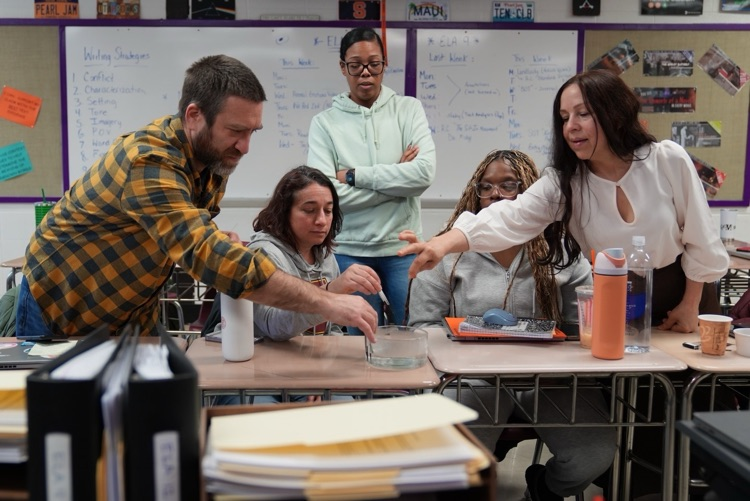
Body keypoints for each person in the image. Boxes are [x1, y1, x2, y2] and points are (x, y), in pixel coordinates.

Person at [16, 54, 377, 341]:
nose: (245, 146)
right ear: (194, 115)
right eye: (236, 130)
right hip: (63, 308)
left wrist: (217, 238)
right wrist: (326, 301)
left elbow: (186, 229)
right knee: (63, 423)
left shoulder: (210, 160)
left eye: (253, 131)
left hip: (131, 310)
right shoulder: (149, 160)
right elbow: (203, 253)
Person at [399, 69, 728, 335]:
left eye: (583, 114)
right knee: (635, 401)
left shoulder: (666, 159)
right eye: (564, 117)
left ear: (614, 114)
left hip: (684, 295)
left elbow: (700, 237)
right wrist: (441, 245)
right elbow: (508, 218)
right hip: (616, 299)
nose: (571, 127)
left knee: (692, 401)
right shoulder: (564, 182)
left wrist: (690, 304)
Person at [405, 150, 611, 501]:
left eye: (508, 185)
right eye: (486, 187)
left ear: (530, 193)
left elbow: (582, 331)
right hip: (471, 378)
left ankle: (543, 489)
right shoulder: (448, 251)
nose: (496, 195)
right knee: (461, 467)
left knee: (593, 455)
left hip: (548, 381)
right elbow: (422, 327)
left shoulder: (563, 251)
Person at [204, 165, 380, 404]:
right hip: (254, 372)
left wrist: (323, 372)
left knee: (347, 413)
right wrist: (331, 294)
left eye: (328, 211)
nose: (321, 220)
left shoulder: (325, 255)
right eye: (309, 210)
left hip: (306, 371)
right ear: (284, 212)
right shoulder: (264, 253)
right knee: (269, 426)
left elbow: (331, 332)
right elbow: (274, 327)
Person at [306, 26, 436, 332]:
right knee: (361, 339)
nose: (366, 73)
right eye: (355, 65)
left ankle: (414, 384)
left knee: (414, 332)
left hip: (402, 248)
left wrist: (354, 176)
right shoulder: (325, 124)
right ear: (343, 67)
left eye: (374, 64)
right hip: (350, 251)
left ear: (384, 64)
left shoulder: (409, 110)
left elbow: (423, 174)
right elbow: (328, 198)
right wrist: (396, 184)